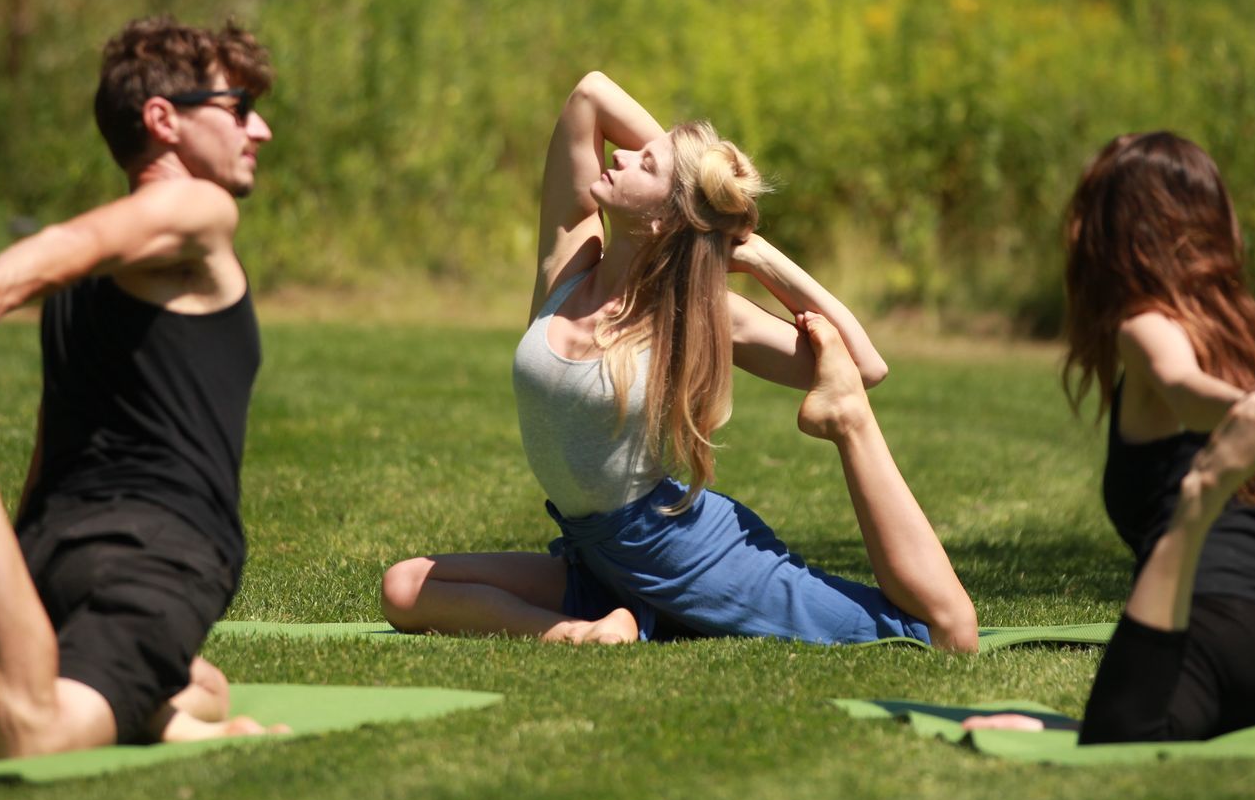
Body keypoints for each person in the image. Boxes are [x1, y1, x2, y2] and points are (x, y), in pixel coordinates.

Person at [380, 72, 979, 652]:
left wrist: (759, 256)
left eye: (646, 163)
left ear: (666, 218)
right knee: (404, 588)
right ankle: (582, 631)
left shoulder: (693, 315)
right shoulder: (568, 262)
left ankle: (849, 425)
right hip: (594, 555)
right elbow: (590, 93)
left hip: (679, 549)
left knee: (946, 633)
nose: (622, 157)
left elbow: (864, 364)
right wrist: (688, 180)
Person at [0, 16, 281, 758]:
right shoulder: (203, 212)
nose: (256, 130)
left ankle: (155, 710)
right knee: (32, 735)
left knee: (203, 686)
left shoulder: (81, 277)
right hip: (152, 552)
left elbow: (56, 437)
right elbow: (77, 242)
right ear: (164, 119)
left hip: (52, 550)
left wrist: (23, 576)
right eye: (237, 108)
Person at [969, 131, 1255, 742]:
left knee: (1122, 735)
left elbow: (1181, 384)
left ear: (1109, 236)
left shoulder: (1144, 325)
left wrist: (1242, 411)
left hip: (1214, 635)